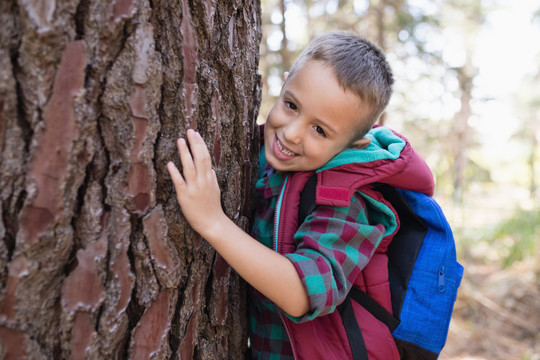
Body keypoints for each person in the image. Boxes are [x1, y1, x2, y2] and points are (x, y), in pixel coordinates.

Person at [167, 31, 434, 359]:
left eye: (319, 130)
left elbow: (304, 293)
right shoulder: (265, 158)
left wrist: (213, 222)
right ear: (283, 85)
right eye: (291, 105)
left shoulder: (352, 202)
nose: (291, 133)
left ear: (354, 143)